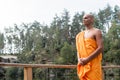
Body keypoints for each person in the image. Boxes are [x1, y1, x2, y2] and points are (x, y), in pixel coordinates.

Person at [76, 14, 103, 80]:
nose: (83, 19)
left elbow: (100, 48)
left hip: (93, 65)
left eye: (86, 18)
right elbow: (78, 50)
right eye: (83, 18)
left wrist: (87, 59)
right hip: (83, 64)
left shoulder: (96, 31)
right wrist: (79, 60)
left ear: (92, 20)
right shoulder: (79, 35)